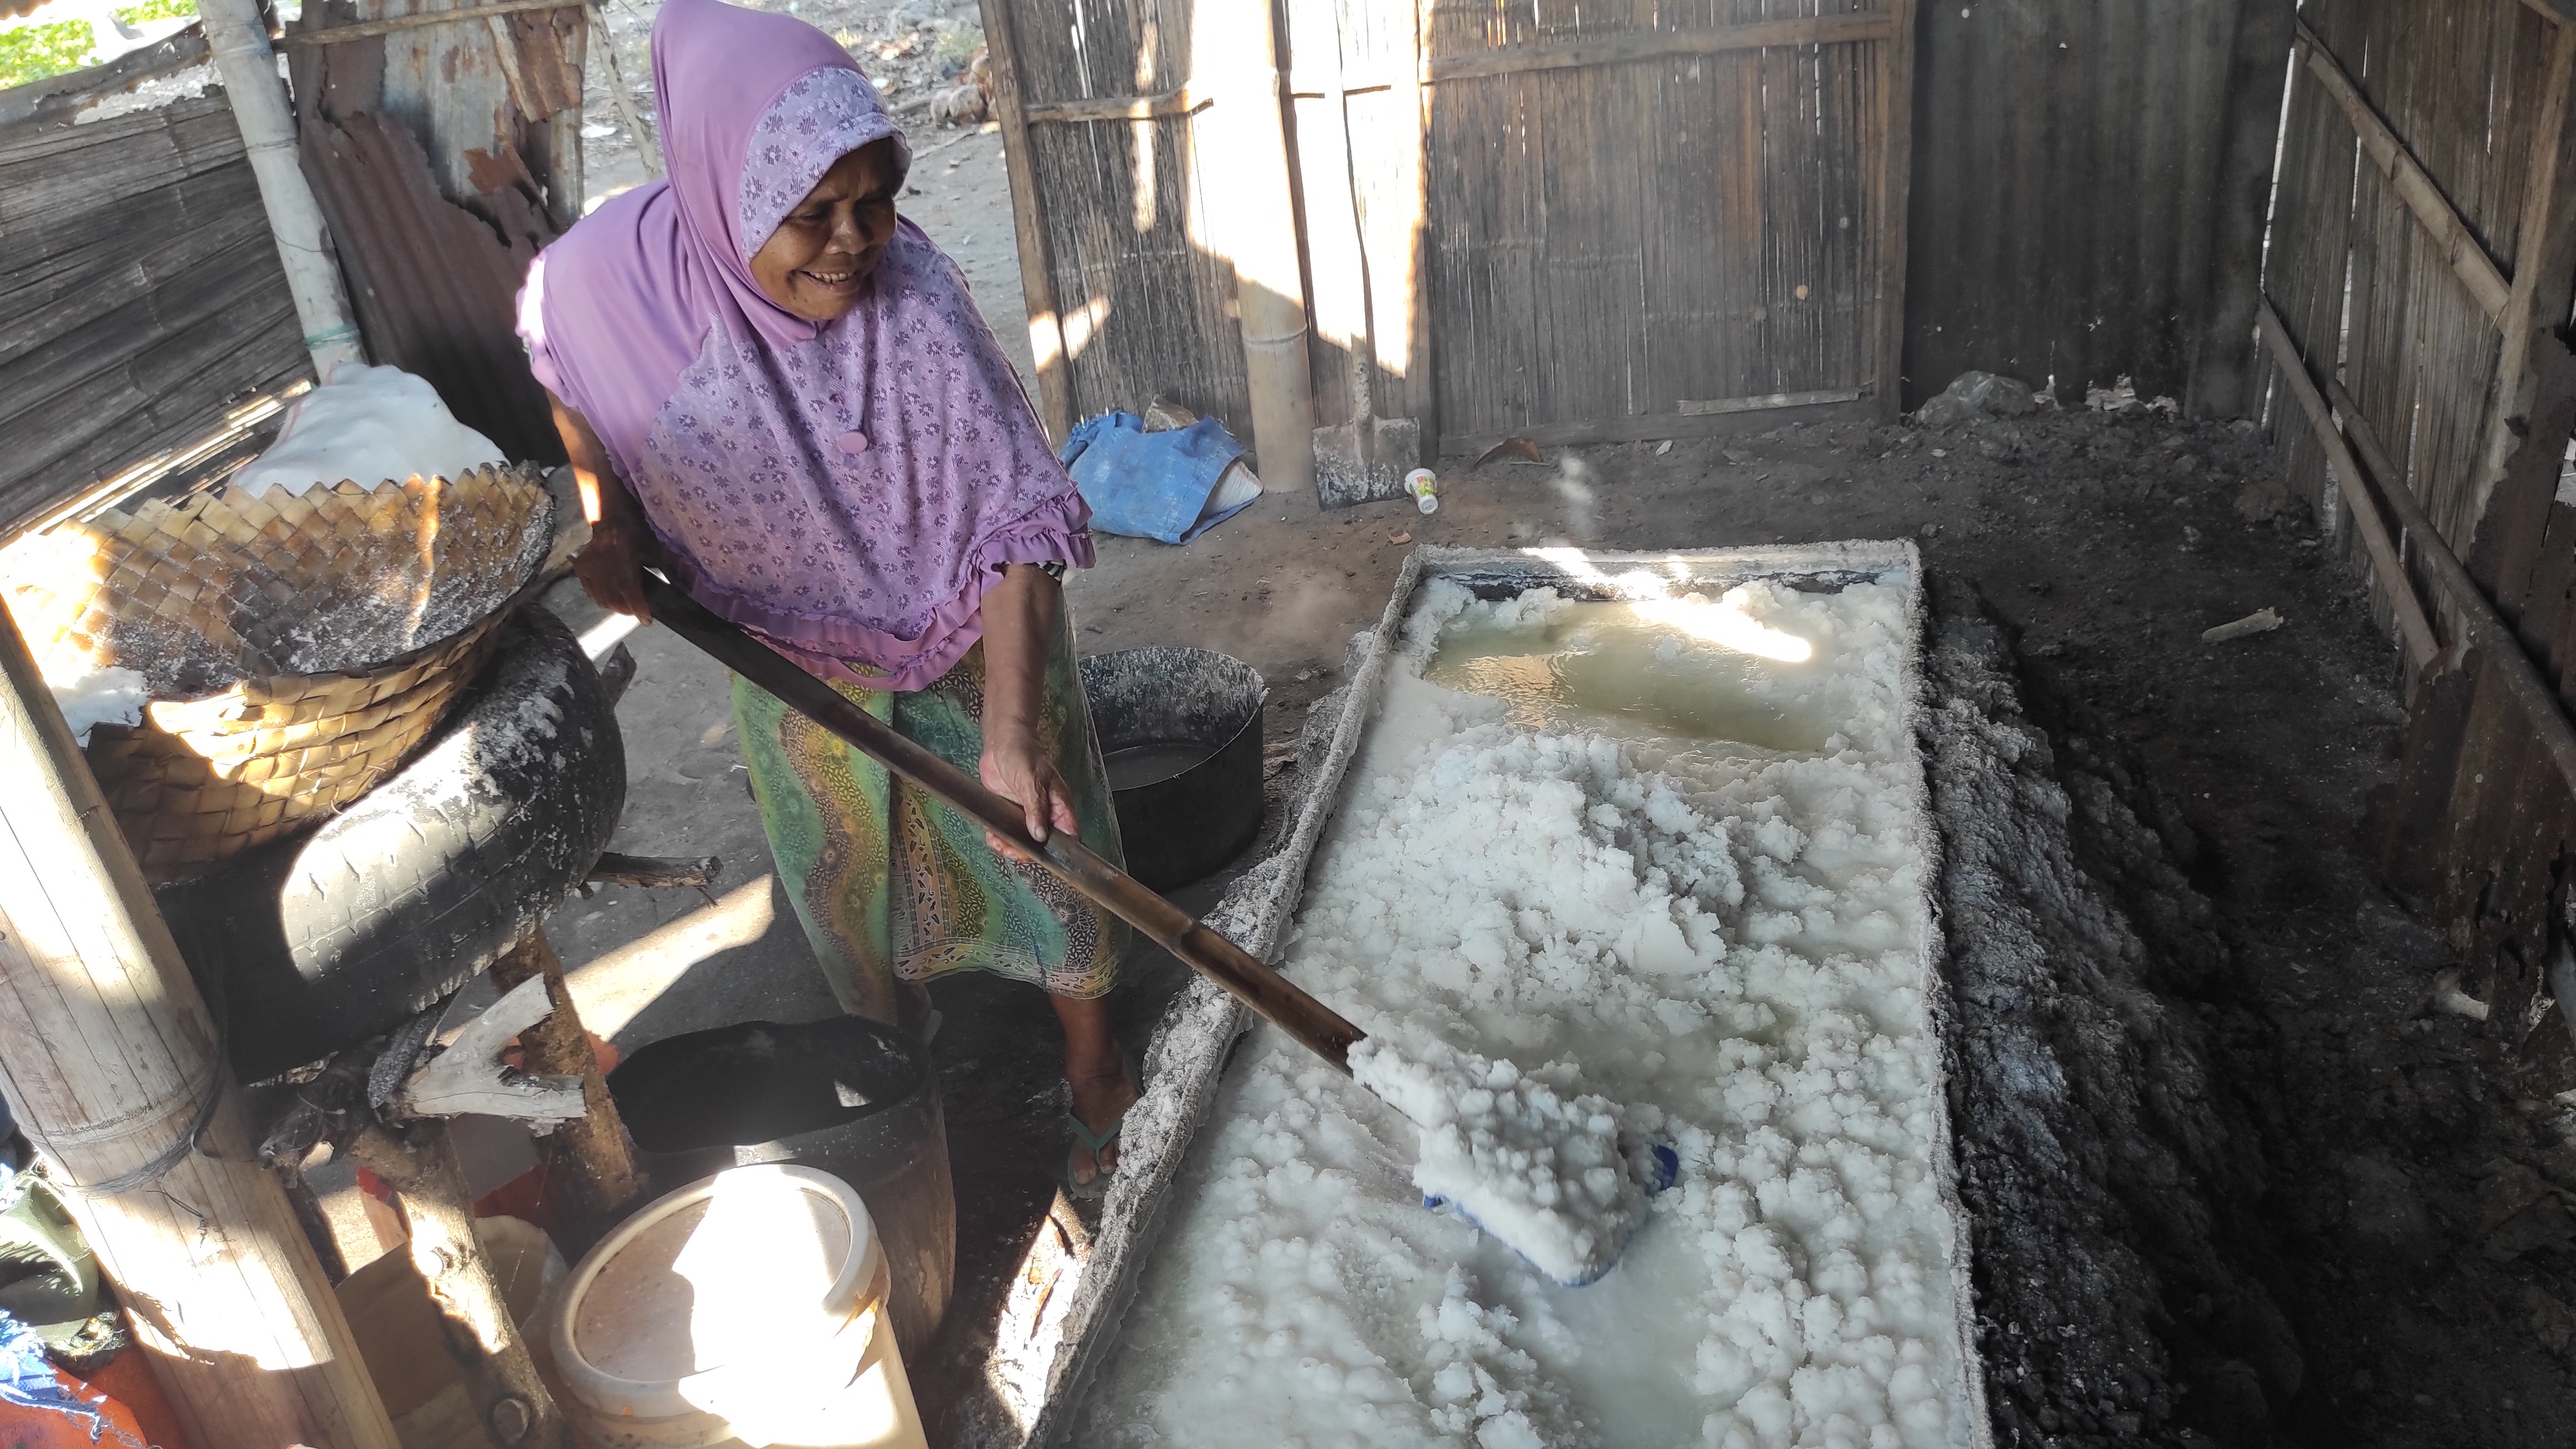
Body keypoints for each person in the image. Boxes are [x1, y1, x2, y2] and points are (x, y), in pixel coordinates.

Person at [517, 0, 1137, 1191]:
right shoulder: (611, 283)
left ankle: (1095, 1073)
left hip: (968, 628)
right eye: (812, 216)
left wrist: (1010, 732)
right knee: (844, 877)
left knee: (1045, 852)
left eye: (873, 202)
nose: (853, 243)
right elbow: (562, 358)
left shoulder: (916, 304)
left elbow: (1015, 521)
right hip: (791, 651)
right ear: (723, 197)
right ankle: (892, 1075)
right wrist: (606, 513)